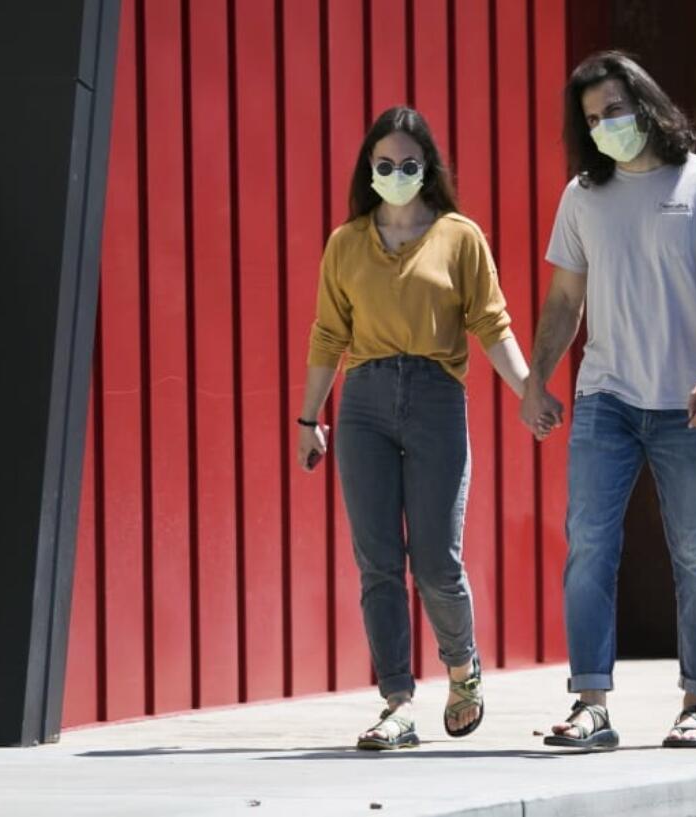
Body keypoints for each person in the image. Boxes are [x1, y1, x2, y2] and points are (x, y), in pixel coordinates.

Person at [521, 52, 696, 750]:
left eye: (614, 112)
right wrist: (539, 379)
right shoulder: (582, 196)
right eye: (592, 119)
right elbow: (565, 299)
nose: (604, 127)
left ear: (648, 106)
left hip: (689, 406)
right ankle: (591, 703)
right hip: (607, 397)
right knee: (590, 547)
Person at [297, 106, 536, 750]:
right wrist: (308, 417)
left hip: (435, 399)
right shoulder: (346, 242)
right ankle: (397, 703)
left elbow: (492, 322)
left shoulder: (459, 237)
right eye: (384, 165)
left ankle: (462, 669)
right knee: (377, 562)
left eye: (408, 164)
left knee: (435, 561)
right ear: (368, 170)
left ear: (427, 169)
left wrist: (529, 390)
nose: (396, 174)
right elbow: (328, 333)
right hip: (364, 403)